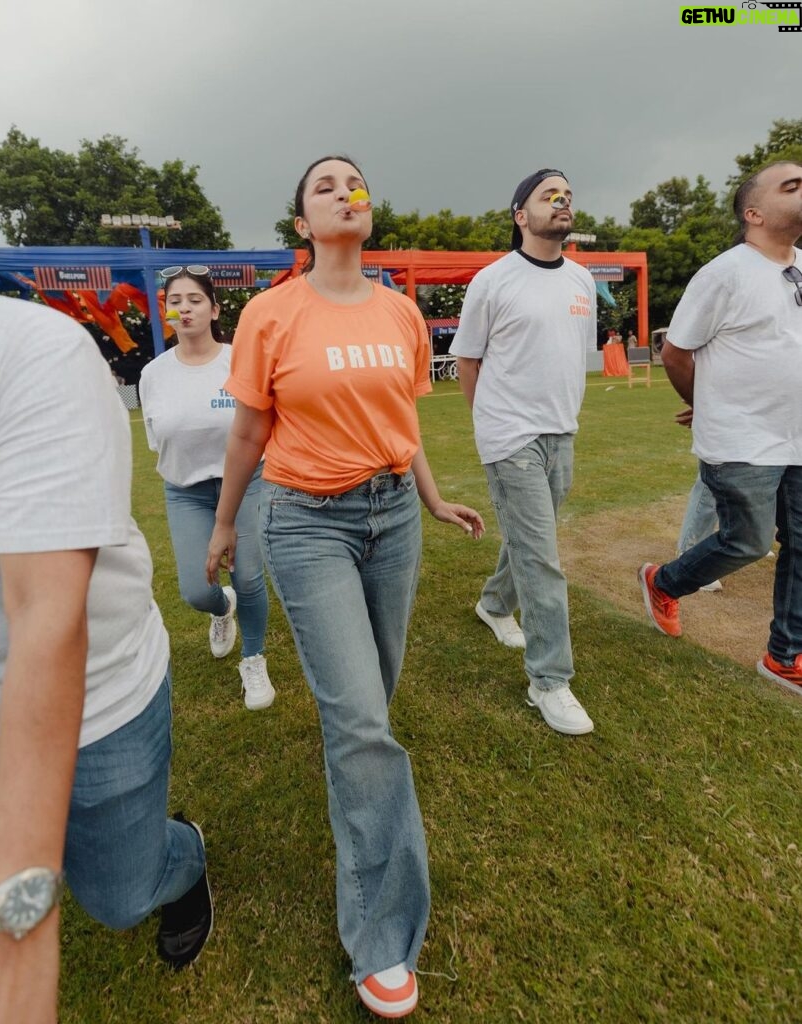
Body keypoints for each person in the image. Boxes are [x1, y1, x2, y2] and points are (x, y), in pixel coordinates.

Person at [206, 155, 483, 1019]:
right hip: (304, 523)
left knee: (371, 703)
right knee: (363, 722)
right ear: (301, 224)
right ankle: (382, 936)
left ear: (369, 209)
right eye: (323, 186)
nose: (342, 192)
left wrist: (430, 497)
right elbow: (251, 429)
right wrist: (222, 524)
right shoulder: (269, 313)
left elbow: (400, 422)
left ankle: (354, 773)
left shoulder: (401, 310)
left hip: (393, 517)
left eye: (352, 182)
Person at [0, 295, 213, 1024]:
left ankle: (179, 858)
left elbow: (47, 616)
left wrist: (14, 946)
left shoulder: (27, 346)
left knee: (121, 896)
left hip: (95, 700)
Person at [639, 161, 802, 696]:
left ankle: (785, 655)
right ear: (753, 213)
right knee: (748, 542)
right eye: (791, 185)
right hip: (743, 440)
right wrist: (703, 404)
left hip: (797, 436)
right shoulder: (724, 273)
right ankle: (663, 581)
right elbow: (676, 351)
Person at [450, 168, 596, 737]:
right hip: (511, 435)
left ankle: (493, 603)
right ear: (520, 215)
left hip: (563, 431)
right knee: (543, 557)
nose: (561, 202)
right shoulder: (492, 280)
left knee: (532, 542)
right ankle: (549, 679)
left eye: (567, 195)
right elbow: (468, 361)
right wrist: (488, 424)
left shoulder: (582, 281)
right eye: (547, 195)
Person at [139, 267, 273, 711]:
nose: (185, 307)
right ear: (166, 312)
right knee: (197, 589)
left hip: (248, 483)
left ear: (214, 309)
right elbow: (159, 442)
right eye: (175, 300)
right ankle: (221, 609)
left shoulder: (240, 360)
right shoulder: (153, 374)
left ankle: (253, 658)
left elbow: (260, 427)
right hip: (186, 492)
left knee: (249, 576)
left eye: (195, 299)